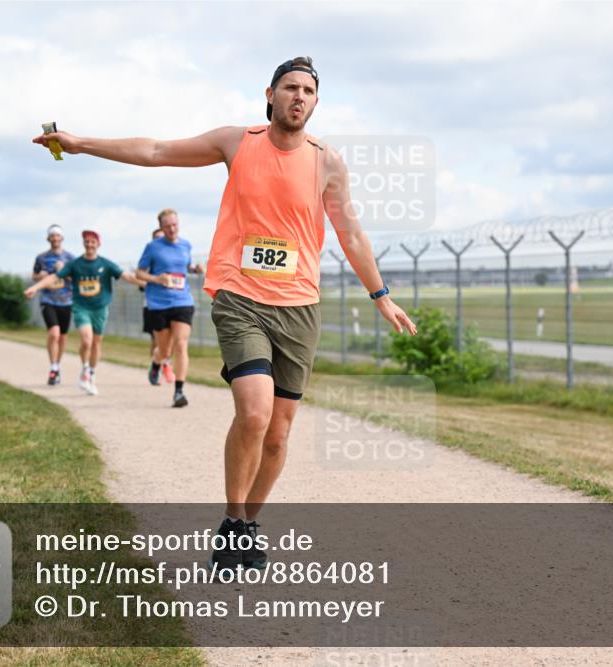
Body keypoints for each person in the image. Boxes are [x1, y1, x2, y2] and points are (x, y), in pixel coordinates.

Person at [33, 56, 416, 571]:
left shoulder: (328, 162)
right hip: (240, 298)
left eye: (308, 90)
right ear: (270, 94)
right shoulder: (239, 142)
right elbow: (157, 150)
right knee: (254, 413)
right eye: (289, 87)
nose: (298, 97)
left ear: (316, 102)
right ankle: (235, 517)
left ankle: (246, 525)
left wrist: (381, 295)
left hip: (299, 306)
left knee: (278, 434)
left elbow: (351, 234)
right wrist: (83, 145)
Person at [25, 230, 142, 396]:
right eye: (86, 241)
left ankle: (91, 374)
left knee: (96, 343)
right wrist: (35, 288)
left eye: (92, 241)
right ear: (83, 244)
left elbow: (127, 276)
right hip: (81, 307)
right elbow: (54, 277)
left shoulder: (106, 264)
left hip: (100, 309)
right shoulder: (75, 264)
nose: (89, 244)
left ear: (98, 244)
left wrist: (147, 283)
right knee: (86, 340)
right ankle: (85, 369)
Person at [137, 208, 204, 407]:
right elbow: (140, 273)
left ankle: (179, 391)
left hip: (182, 301)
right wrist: (157, 278)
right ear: (161, 227)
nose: (172, 229)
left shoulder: (186, 245)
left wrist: (195, 269)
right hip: (158, 303)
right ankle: (157, 363)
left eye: (174, 224)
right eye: (167, 226)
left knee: (181, 344)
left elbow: (185, 267)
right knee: (165, 351)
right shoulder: (152, 247)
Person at [32, 225, 75, 385]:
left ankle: (57, 365)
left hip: (66, 301)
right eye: (52, 236)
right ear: (48, 239)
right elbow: (35, 275)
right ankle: (53, 367)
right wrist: (40, 276)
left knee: (63, 337)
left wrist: (64, 271)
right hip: (48, 300)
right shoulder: (41, 258)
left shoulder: (70, 258)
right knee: (54, 333)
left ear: (62, 238)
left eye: (58, 236)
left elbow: (75, 279)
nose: (55, 239)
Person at [141, 228, 167, 379]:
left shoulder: (171, 258)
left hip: (171, 304)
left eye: (161, 237)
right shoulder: (149, 258)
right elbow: (140, 280)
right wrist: (155, 281)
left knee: (169, 340)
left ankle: (162, 363)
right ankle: (156, 366)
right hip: (151, 304)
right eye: (156, 238)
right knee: (155, 339)